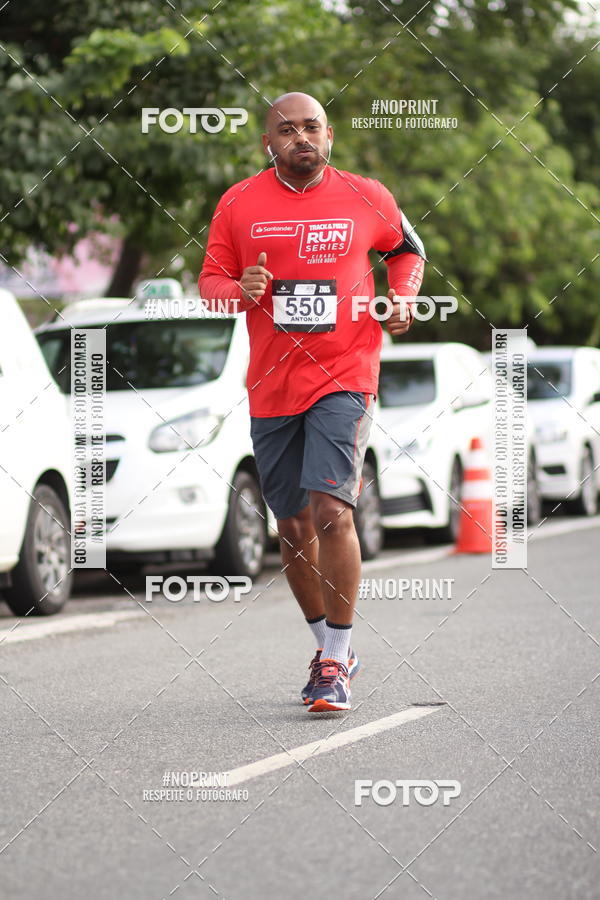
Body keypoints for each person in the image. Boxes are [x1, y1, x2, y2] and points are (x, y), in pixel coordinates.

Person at [199, 92, 426, 712]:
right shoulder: (239, 203)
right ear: (267, 143)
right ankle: (329, 645)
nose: (301, 137)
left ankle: (334, 659)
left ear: (330, 136)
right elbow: (210, 285)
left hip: (346, 372)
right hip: (272, 381)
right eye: (286, 130)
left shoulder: (367, 195)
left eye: (312, 127)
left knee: (332, 509)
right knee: (292, 526)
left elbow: (407, 249)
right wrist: (236, 289)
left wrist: (402, 297)